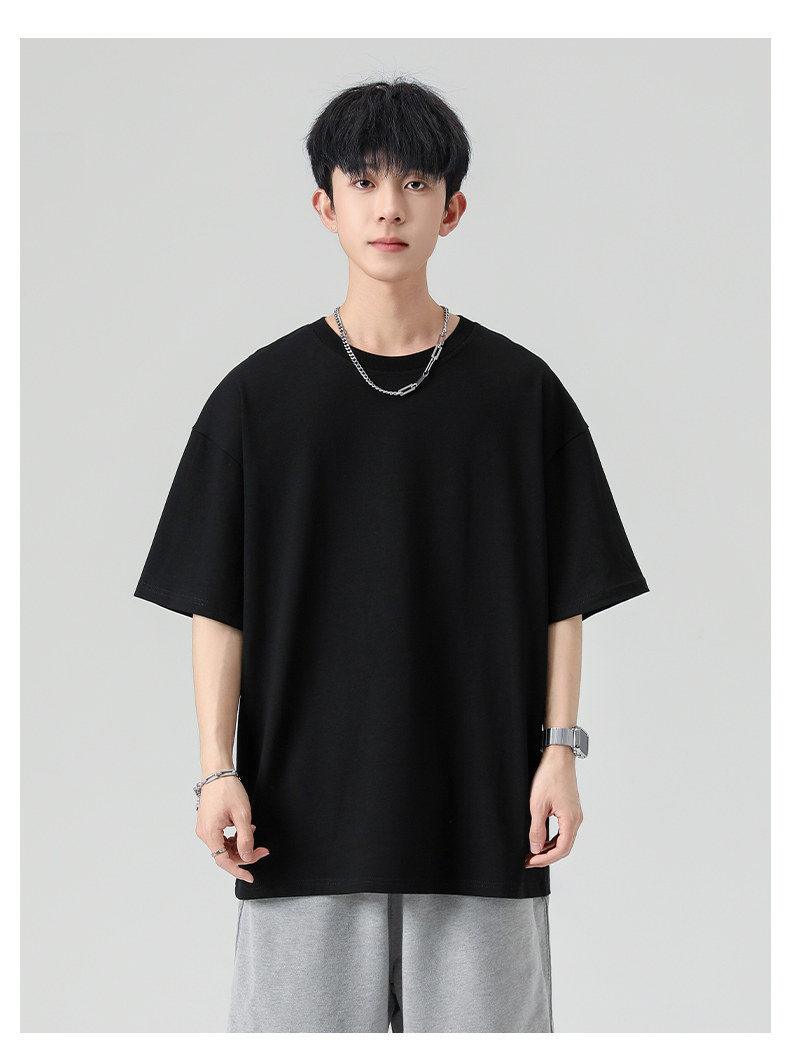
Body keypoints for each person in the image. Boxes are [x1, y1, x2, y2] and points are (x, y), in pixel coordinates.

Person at [133, 76, 649, 1033]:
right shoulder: (258, 400)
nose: (389, 207)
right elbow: (217, 604)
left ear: (452, 210)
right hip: (301, 826)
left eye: (415, 182)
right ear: (323, 205)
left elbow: (564, 598)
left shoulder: (520, 394)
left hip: (484, 820)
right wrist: (216, 771)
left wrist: (560, 751)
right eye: (364, 181)